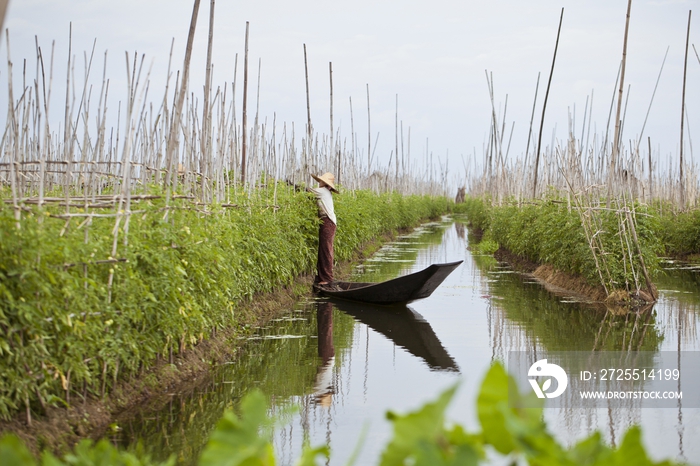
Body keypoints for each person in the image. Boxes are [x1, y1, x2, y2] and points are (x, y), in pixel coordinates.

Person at [309, 172, 339, 287]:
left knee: (326, 249)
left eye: (321, 181)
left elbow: (306, 191)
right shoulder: (325, 192)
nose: (319, 182)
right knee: (325, 249)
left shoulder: (323, 191)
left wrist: (293, 186)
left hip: (327, 222)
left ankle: (327, 278)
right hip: (328, 222)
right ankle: (323, 277)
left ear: (324, 183)